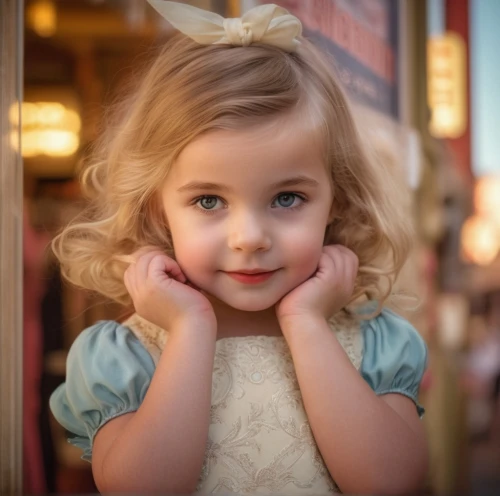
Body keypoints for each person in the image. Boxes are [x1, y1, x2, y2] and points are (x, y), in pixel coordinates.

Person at [49, 2, 428, 494]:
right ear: (157, 208)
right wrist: (189, 328)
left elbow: (389, 481)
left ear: (338, 199)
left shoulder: (374, 343)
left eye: (287, 198)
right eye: (209, 200)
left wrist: (307, 323)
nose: (249, 237)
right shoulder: (127, 358)